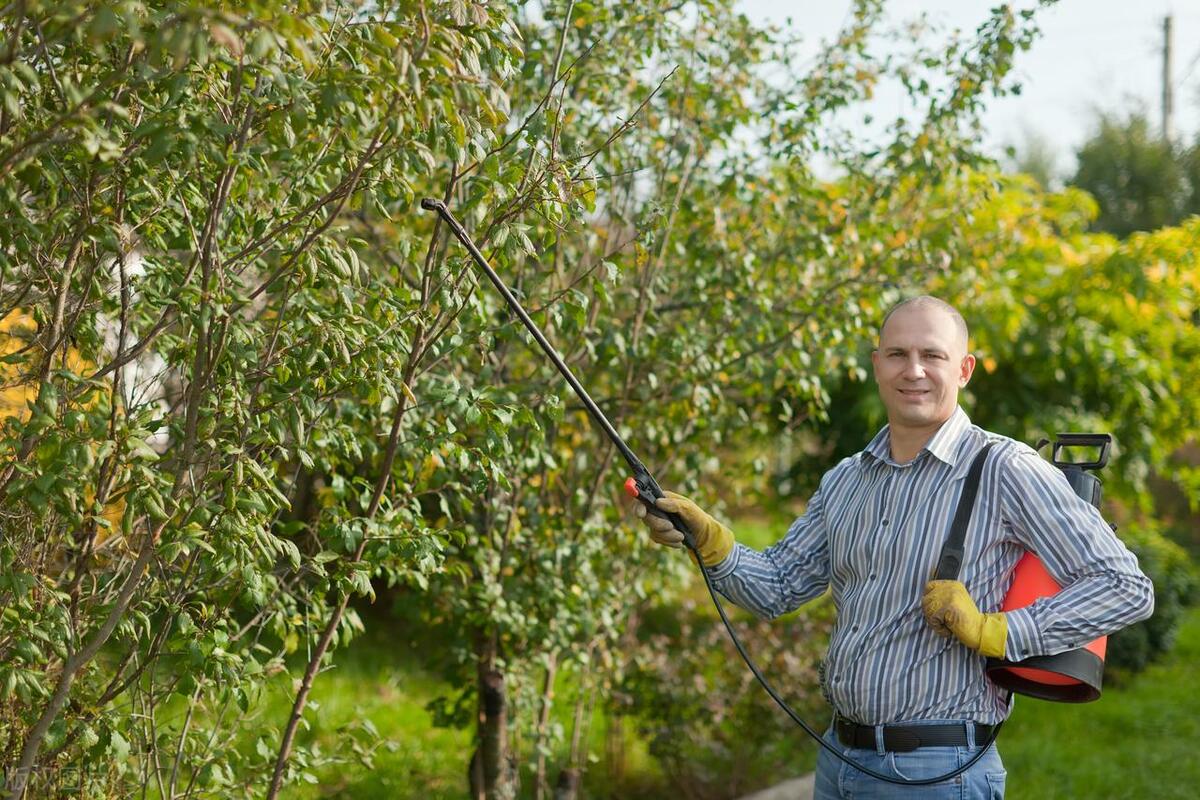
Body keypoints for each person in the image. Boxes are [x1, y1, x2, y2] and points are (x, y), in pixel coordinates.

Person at [630, 295, 1154, 799]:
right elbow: (778, 587)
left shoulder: (1005, 468)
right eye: (898, 354)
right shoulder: (846, 479)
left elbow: (1126, 587)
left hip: (937, 773)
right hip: (839, 758)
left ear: (964, 369)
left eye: (933, 355)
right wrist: (710, 541)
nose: (914, 370)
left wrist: (997, 630)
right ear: (877, 364)